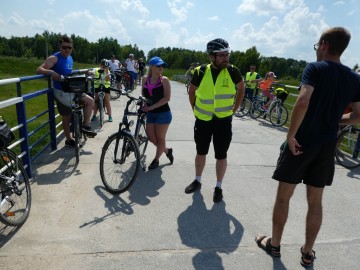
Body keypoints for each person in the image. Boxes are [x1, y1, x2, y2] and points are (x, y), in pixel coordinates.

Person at [255, 27, 360, 268]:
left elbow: (302, 101)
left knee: (284, 197)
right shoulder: (354, 78)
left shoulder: (315, 68)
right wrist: (334, 121)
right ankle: (307, 252)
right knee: (316, 201)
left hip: (301, 143)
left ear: (323, 44)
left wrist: (290, 136)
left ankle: (275, 245)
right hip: (326, 147)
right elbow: (358, 115)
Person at [185, 38, 244, 203]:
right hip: (203, 120)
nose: (226, 58)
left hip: (223, 121)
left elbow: (241, 89)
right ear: (212, 56)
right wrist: (195, 110)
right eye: (222, 55)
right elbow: (192, 92)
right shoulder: (201, 71)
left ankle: (218, 187)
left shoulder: (233, 71)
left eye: (227, 54)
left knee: (221, 155)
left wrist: (234, 110)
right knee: (201, 152)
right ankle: (197, 180)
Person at [36, 35, 97, 147]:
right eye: (65, 47)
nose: (67, 50)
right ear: (60, 47)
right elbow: (39, 69)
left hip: (72, 88)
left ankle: (86, 126)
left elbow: (69, 72)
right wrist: (51, 73)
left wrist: (84, 73)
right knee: (66, 116)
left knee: (91, 101)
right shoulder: (54, 58)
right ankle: (68, 140)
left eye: (70, 48)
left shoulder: (70, 58)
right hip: (60, 91)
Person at [141, 56, 174, 170]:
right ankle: (167, 151)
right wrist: (144, 105)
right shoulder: (145, 79)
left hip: (163, 114)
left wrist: (152, 107)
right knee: (151, 138)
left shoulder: (164, 80)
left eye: (162, 66)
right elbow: (143, 95)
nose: (161, 68)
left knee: (160, 139)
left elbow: (167, 98)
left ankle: (156, 160)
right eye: (158, 66)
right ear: (151, 66)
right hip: (150, 113)